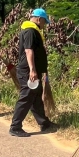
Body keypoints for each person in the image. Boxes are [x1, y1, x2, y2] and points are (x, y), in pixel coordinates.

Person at [9, 8, 59, 137]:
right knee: (26, 97)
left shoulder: (32, 30)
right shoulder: (30, 31)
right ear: (39, 19)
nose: (44, 25)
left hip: (32, 70)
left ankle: (44, 123)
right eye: (44, 22)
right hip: (28, 71)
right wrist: (32, 70)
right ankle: (15, 127)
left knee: (36, 97)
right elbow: (28, 50)